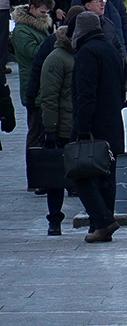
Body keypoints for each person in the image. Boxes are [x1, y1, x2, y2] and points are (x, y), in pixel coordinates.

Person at [67, 2, 126, 244]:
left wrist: (82, 128)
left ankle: (102, 221)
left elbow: (86, 94)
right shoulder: (109, 49)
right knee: (107, 174)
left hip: (94, 126)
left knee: (79, 174)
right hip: (113, 124)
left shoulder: (87, 53)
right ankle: (101, 225)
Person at [34, 21, 75, 236]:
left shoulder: (75, 54)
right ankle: (54, 220)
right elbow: (49, 97)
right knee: (56, 178)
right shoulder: (57, 59)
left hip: (73, 125)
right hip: (62, 128)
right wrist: (50, 128)